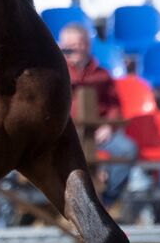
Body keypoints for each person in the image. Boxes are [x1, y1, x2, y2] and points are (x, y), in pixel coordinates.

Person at [58, 25, 138, 209]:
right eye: (69, 46)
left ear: (87, 45)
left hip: (98, 132)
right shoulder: (58, 72)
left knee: (127, 149)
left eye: (77, 45)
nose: (74, 50)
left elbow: (114, 105)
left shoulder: (102, 75)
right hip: (67, 133)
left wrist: (108, 126)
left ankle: (106, 201)